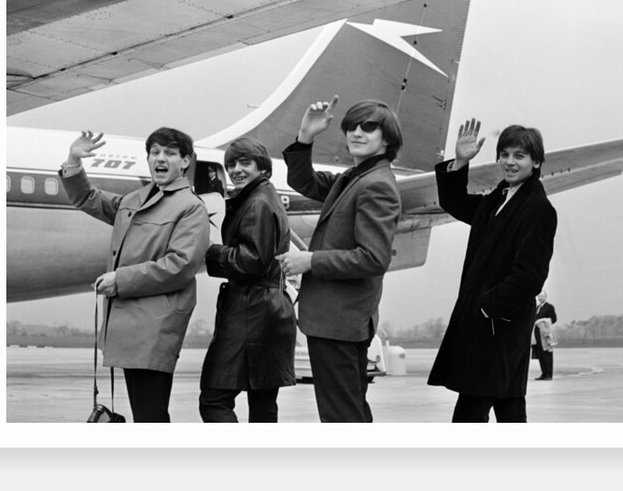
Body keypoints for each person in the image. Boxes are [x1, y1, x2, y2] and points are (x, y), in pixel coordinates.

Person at [59, 128, 211, 422]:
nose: (160, 158)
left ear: (186, 161)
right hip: (131, 327)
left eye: (169, 153)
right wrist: (74, 162)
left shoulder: (191, 207)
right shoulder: (135, 200)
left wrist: (121, 279)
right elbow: (88, 198)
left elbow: (180, 265)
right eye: (154, 152)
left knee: (150, 415)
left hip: (155, 327)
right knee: (146, 415)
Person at [276, 96, 402, 422]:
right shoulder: (356, 176)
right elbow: (304, 182)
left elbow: (373, 258)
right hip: (335, 321)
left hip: (340, 322)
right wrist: (306, 137)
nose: (357, 133)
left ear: (387, 138)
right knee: (350, 412)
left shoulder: (376, 185)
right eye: (352, 127)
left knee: (341, 417)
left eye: (369, 127)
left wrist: (311, 261)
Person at [427, 119, 557, 423]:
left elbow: (530, 277)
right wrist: (460, 162)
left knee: (470, 411)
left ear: (536, 162)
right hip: (492, 330)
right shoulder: (498, 200)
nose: (510, 162)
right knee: (509, 407)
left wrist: (487, 307)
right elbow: (454, 201)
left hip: (498, 328)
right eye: (505, 155)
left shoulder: (537, 209)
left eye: (519, 156)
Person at [199, 137, 297, 422]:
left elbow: (251, 261)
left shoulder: (257, 203)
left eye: (245, 163)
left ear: (263, 168)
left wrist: (211, 252)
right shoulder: (264, 197)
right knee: (263, 404)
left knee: (214, 399)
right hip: (269, 308)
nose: (236, 169)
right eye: (231, 164)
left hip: (251, 310)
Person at [532, 290, 558, 380]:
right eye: (539, 296)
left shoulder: (549, 307)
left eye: (542, 296)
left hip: (545, 334)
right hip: (537, 334)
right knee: (540, 354)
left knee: (547, 353)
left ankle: (549, 374)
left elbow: (553, 319)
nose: (540, 298)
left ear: (545, 297)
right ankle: (544, 373)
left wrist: (543, 321)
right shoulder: (537, 308)